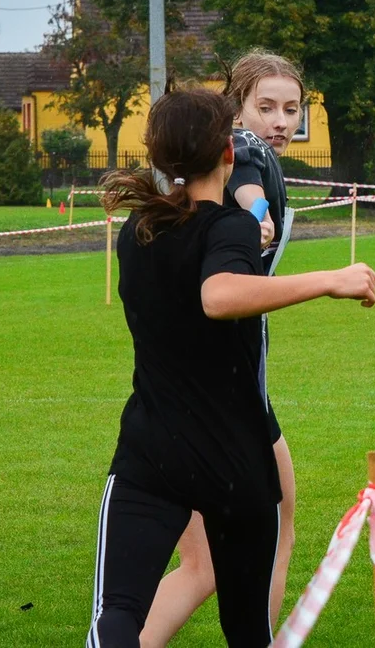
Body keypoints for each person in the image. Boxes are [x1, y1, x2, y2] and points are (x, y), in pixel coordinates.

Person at [88, 87, 375, 648]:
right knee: (247, 634)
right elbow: (218, 295)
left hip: (153, 452)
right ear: (227, 152)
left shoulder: (138, 230)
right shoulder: (230, 227)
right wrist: (327, 280)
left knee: (117, 618)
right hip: (233, 460)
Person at [141, 51, 306, 647]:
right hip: (227, 394)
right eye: (266, 107)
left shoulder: (218, 163)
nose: (280, 121)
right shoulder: (245, 152)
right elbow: (248, 194)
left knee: (209, 560)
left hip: (189, 384)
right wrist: (257, 214)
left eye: (292, 108)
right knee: (259, 535)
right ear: (237, 110)